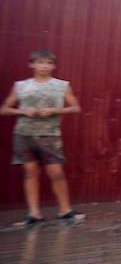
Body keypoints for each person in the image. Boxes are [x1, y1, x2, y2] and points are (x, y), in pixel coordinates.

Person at [2, 49, 83, 225]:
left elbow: (76, 107)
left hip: (50, 135)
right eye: (40, 62)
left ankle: (65, 210)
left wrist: (56, 110)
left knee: (56, 172)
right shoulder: (21, 86)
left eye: (48, 63)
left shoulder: (62, 85)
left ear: (53, 66)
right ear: (32, 64)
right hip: (24, 135)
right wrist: (23, 110)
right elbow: (4, 109)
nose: (45, 66)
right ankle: (34, 213)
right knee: (30, 172)